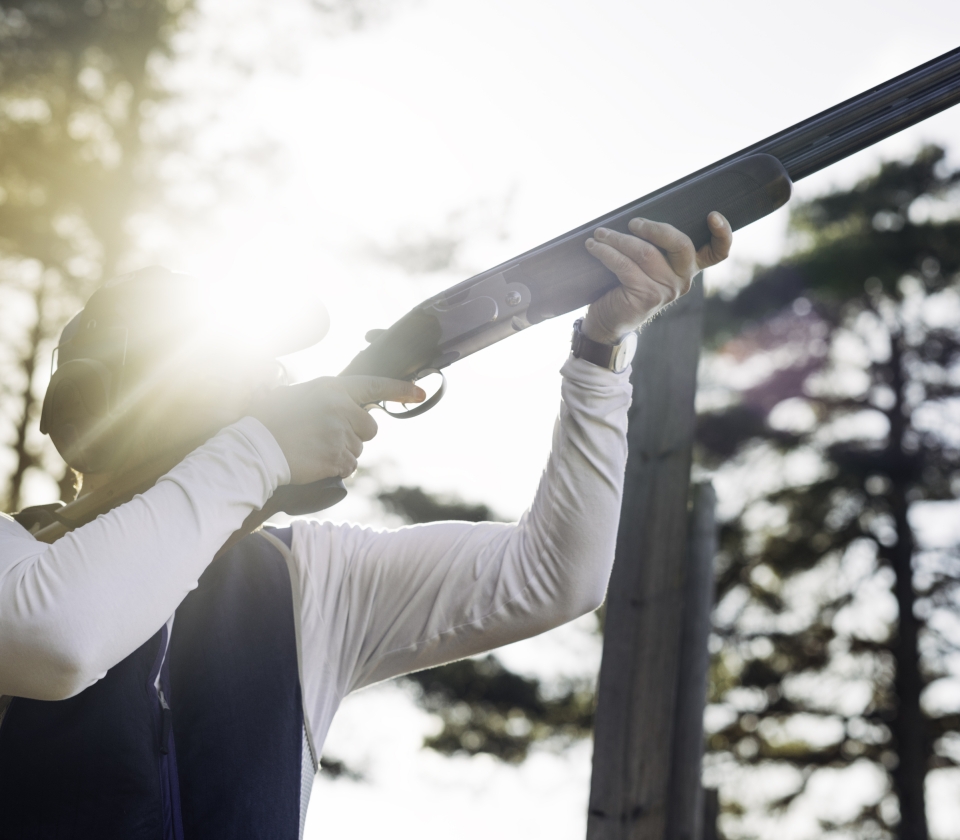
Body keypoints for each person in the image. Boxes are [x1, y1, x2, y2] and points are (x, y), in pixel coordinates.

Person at [0, 213, 732, 840]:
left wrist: (601, 354)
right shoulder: (15, 558)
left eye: (267, 374)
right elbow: (63, 638)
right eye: (229, 370)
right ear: (120, 399)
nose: (268, 383)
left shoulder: (303, 576)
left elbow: (554, 578)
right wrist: (258, 450)